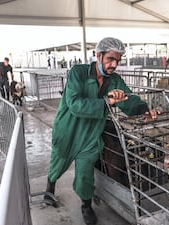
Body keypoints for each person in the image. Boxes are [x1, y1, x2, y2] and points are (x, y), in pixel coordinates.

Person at [43, 37, 159, 225]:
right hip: (68, 128)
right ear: (98, 55)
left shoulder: (114, 80)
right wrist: (107, 101)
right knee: (59, 161)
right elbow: (74, 104)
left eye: (118, 61)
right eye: (110, 59)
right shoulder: (78, 73)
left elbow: (129, 100)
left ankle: (86, 204)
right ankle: (50, 185)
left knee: (85, 172)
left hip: (91, 133)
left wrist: (144, 110)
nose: (114, 64)